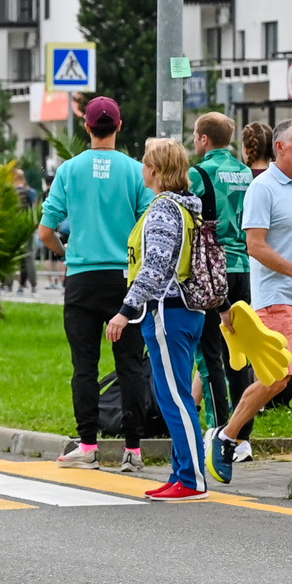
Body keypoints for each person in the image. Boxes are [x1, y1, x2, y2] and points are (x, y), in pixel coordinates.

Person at [209, 120, 292, 472]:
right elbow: (255, 246)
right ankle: (227, 435)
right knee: (277, 378)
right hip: (277, 298)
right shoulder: (263, 187)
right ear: (280, 148)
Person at [40, 96, 153, 473]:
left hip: (83, 278)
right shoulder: (136, 171)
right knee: (131, 367)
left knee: (84, 366)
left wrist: (64, 253)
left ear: (88, 128)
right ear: (118, 127)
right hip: (126, 281)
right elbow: (147, 226)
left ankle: (88, 445)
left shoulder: (69, 171)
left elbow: (46, 231)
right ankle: (133, 450)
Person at [110, 138, 209, 498]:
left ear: (156, 169)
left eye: (146, 163)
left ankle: (192, 479)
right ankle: (181, 472)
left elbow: (154, 267)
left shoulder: (165, 210)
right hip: (184, 310)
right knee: (174, 395)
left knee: (177, 398)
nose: (141, 169)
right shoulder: (187, 205)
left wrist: (125, 311)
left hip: (169, 311)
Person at [189, 113, 254, 427]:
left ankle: (219, 426)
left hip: (214, 270)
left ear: (204, 139)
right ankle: (241, 433)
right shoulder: (246, 172)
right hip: (244, 267)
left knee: (211, 353)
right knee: (239, 353)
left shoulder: (200, 173)